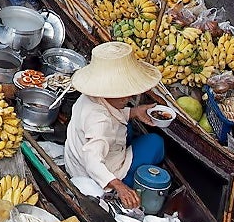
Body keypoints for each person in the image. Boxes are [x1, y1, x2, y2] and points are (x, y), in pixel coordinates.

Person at [65, 41, 167, 212]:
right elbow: (92, 161)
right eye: (124, 94)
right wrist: (120, 187)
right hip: (94, 175)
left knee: (127, 129)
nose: (128, 97)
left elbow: (109, 114)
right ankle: (132, 178)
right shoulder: (100, 122)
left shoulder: (89, 96)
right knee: (155, 143)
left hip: (74, 160)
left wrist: (134, 112)